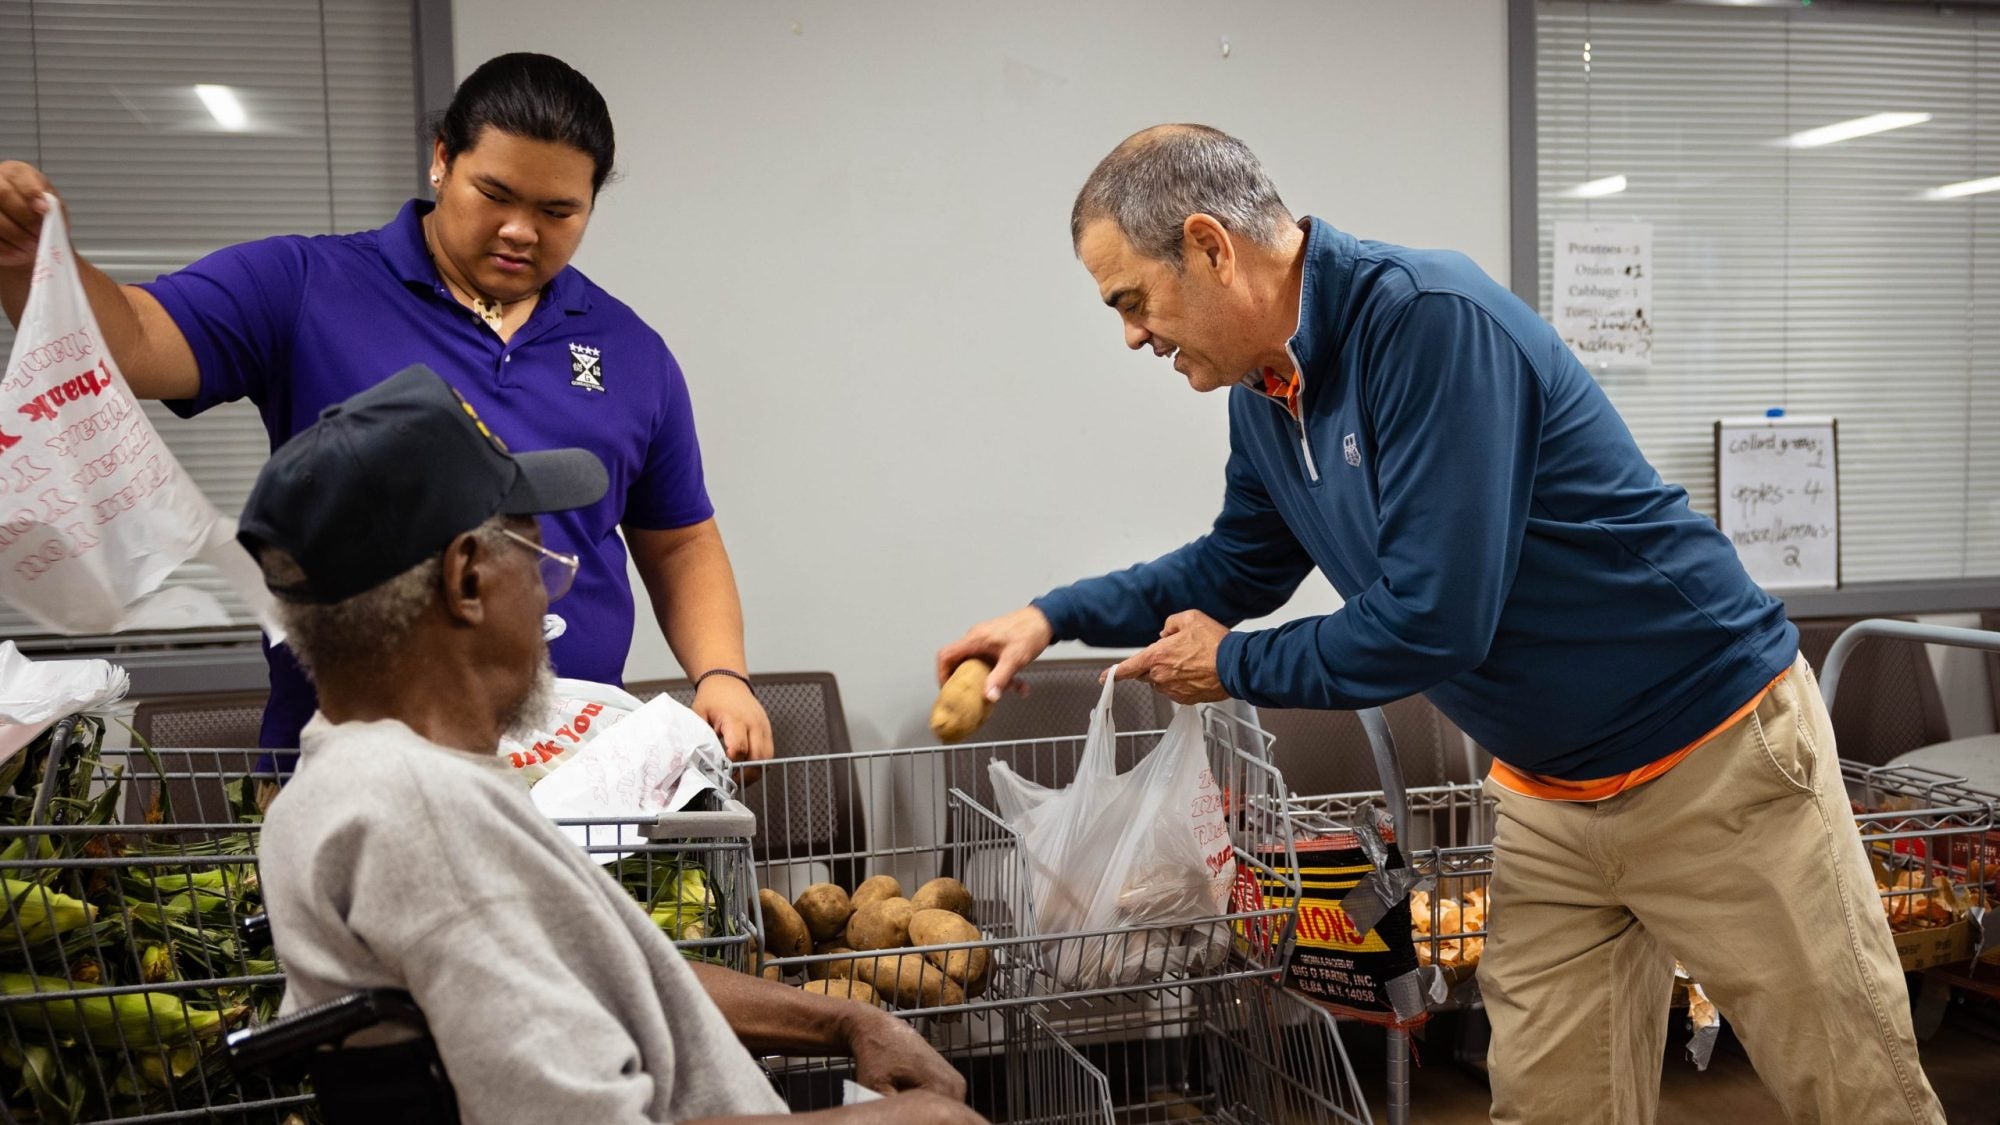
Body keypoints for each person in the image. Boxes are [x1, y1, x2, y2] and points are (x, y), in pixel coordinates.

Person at [938, 125, 1944, 1125]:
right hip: (1550, 793)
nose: (1131, 335)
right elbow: (1236, 563)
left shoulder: (1427, 324)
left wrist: (1233, 663)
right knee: (1552, 1104)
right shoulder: (1264, 389)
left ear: (1208, 246)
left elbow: (1432, 622)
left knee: (1850, 1088)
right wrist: (1049, 616)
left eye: (1129, 301)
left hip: (1711, 757)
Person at [247, 365, 983, 1124]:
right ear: (467, 580)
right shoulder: (420, 816)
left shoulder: (356, 770)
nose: (547, 599)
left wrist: (847, 1018)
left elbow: (613, 965)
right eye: (539, 560)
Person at [0, 52, 772, 768]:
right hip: (351, 762)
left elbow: (679, 541)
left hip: (573, 769)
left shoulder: (631, 349)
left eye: (557, 210)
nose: (519, 230)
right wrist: (42, 269)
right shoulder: (305, 285)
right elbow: (132, 342)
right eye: (495, 194)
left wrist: (723, 672)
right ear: (442, 159)